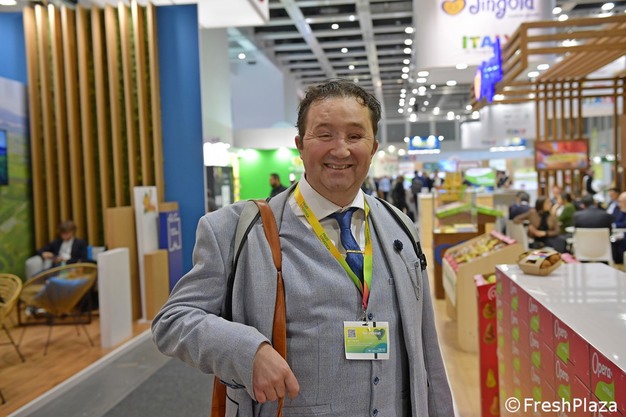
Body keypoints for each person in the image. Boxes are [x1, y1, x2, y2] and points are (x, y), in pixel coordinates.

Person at [152, 79, 453, 417]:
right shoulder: (235, 230)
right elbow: (174, 320)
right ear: (299, 144)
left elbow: (427, 350)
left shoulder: (400, 227)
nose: (340, 150)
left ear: (373, 148)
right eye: (324, 135)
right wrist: (248, 352)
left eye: (355, 136)